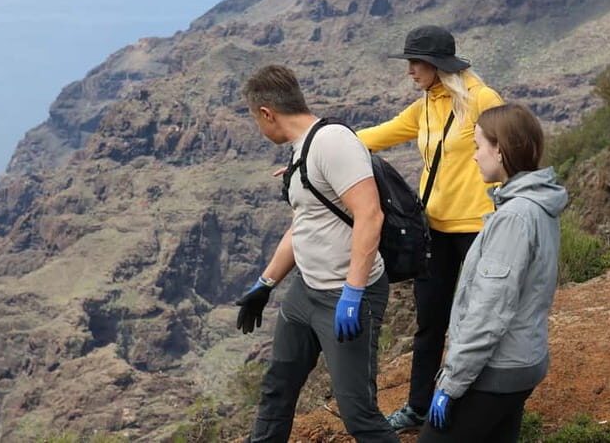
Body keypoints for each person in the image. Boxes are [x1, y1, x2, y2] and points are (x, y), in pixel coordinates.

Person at [236, 65, 400, 443]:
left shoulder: (332, 143)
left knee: (358, 413)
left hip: (345, 295)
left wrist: (353, 293)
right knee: (278, 387)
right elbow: (305, 224)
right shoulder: (301, 150)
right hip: (305, 292)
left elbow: (370, 215)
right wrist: (265, 283)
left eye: (255, 119)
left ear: (267, 113)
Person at [356, 25, 504, 432]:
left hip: (477, 230)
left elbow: (507, 151)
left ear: (438, 65)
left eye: (416, 62)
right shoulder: (424, 106)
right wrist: (316, 148)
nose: (410, 70)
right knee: (429, 323)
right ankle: (418, 407)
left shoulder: (482, 99)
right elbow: (374, 137)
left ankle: (478, 407)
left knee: (476, 323)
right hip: (433, 232)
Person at [419, 103, 567, 442]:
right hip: (523, 360)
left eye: (478, 146)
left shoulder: (514, 217)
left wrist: (451, 384)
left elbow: (489, 310)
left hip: (497, 370)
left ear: (500, 149)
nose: (474, 156)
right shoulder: (538, 205)